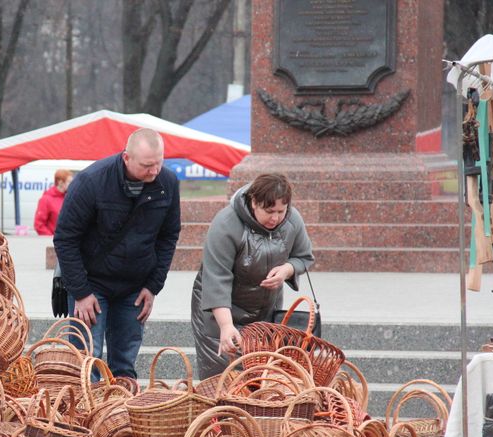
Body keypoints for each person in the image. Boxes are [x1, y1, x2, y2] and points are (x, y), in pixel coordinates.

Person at [53, 128, 180, 379]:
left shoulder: (168, 183)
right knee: (86, 363)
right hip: (91, 282)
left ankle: (122, 403)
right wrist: (81, 292)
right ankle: (85, 404)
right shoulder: (91, 181)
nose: (154, 171)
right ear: (126, 158)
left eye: (159, 163)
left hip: (135, 286)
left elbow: (168, 237)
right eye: (147, 165)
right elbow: (65, 239)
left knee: (124, 366)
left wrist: (153, 286)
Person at [191, 173, 315, 379]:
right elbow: (216, 278)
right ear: (254, 202)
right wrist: (226, 325)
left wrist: (287, 269)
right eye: (269, 211)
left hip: (265, 310)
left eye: (281, 211)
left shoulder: (292, 220)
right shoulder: (227, 224)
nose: (275, 218)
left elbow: (304, 256)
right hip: (220, 310)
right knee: (224, 377)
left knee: (261, 377)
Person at [34, 169, 74, 235]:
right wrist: (52, 238)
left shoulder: (68, 197)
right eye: (69, 182)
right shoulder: (46, 199)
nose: (72, 184)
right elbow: (39, 225)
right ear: (60, 182)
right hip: (53, 240)